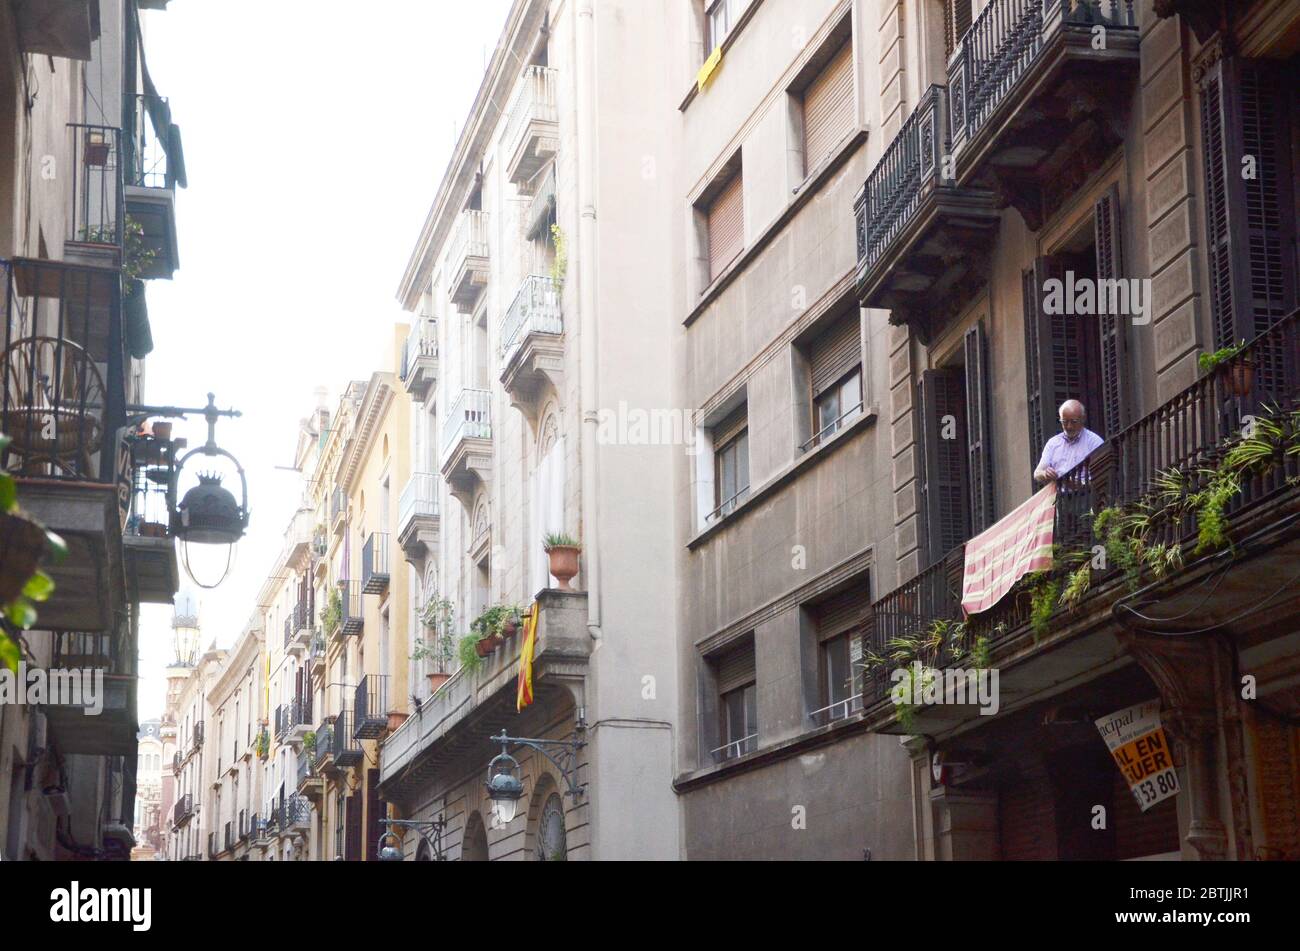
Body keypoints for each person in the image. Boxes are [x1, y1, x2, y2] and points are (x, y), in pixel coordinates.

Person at [1034, 399, 1103, 485]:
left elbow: (1102, 478)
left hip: (1085, 495)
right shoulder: (1053, 443)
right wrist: (1045, 474)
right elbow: (1037, 473)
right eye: (1064, 422)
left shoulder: (1094, 442)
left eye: (1074, 422)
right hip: (1058, 496)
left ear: (1083, 419)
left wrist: (1074, 484)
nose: (1069, 426)